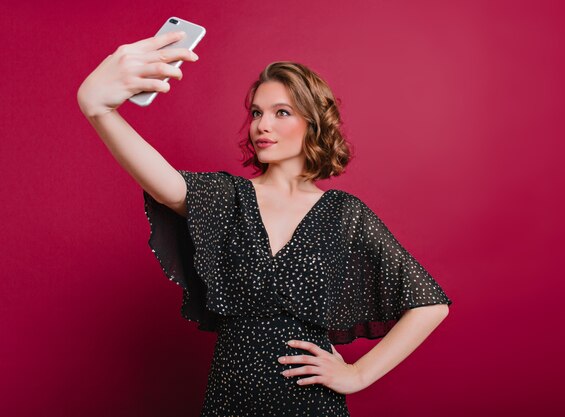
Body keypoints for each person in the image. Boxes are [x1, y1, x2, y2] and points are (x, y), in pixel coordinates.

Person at [77, 31, 452, 417]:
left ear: (314, 123)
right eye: (256, 113)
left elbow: (430, 305)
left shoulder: (345, 214)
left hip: (310, 404)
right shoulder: (228, 198)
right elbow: (165, 185)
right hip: (231, 400)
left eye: (281, 112)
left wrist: (357, 374)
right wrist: (98, 108)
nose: (261, 125)